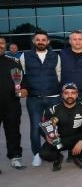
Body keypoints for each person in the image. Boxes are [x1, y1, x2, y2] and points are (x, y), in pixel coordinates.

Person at [20, 30, 61, 167]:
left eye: (43, 40)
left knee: (54, 127)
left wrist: (57, 90)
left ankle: (55, 152)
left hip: (53, 96)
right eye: (38, 39)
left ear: (48, 42)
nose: (41, 42)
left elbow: (59, 74)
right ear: (33, 41)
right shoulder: (25, 56)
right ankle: (37, 154)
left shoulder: (55, 56)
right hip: (34, 98)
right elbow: (22, 76)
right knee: (35, 127)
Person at [40, 83, 82, 171]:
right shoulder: (52, 109)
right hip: (59, 141)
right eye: (66, 93)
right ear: (62, 95)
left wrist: (81, 141)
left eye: (73, 93)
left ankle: (77, 156)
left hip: (77, 139)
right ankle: (58, 158)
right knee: (44, 153)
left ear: (77, 94)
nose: (70, 95)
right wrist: (46, 136)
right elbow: (42, 127)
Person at [0, 36, 28, 170]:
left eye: (2, 43)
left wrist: (23, 91)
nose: (0, 45)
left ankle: (15, 157)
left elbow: (23, 84)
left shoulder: (13, 63)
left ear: (5, 45)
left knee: (13, 133)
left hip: (11, 105)